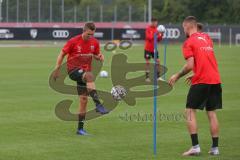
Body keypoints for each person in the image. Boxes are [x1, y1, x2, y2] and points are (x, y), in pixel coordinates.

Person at [169, 16, 222, 156]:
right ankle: (215, 148)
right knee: (211, 113)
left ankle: (195, 147)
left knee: (190, 111)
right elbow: (206, 58)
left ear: (187, 26)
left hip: (202, 80)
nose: (183, 31)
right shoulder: (207, 38)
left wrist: (177, 75)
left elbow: (190, 65)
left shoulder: (188, 42)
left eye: (183, 28)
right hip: (215, 79)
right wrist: (196, 72)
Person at [53, 22, 108, 135]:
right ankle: (98, 104)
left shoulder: (95, 43)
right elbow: (61, 54)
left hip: (84, 72)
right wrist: (57, 69)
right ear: (84, 31)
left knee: (83, 100)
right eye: (88, 34)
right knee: (89, 76)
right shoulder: (73, 41)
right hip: (73, 70)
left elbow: (96, 56)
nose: (90, 37)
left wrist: (100, 57)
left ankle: (80, 129)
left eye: (92, 34)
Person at [144, 18, 164, 82]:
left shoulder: (156, 29)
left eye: (156, 22)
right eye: (154, 22)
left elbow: (158, 40)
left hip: (154, 49)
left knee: (158, 62)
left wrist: (162, 34)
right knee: (147, 63)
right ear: (152, 22)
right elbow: (149, 37)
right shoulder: (148, 29)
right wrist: (156, 33)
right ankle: (147, 77)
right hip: (148, 49)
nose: (156, 23)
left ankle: (158, 77)